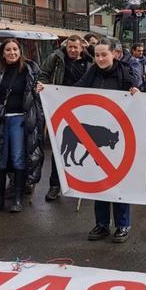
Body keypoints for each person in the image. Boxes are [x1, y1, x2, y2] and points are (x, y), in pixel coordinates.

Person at [76, 39, 139, 242]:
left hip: (119, 137)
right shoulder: (91, 73)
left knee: (119, 181)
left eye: (104, 54)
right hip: (96, 137)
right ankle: (102, 224)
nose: (101, 59)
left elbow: (136, 91)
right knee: (99, 180)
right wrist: (48, 91)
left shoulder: (126, 72)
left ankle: (122, 225)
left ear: (115, 54)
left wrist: (136, 93)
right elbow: (73, 93)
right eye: (97, 55)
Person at [0, 39, 44, 213]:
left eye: (15, 49)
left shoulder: (29, 70)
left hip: (20, 120)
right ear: (2, 53)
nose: (12, 52)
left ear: (20, 51)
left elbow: (38, 92)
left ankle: (18, 199)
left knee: (17, 158)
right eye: (8, 50)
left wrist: (40, 89)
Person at [38, 34, 90, 202]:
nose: (73, 50)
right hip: (60, 109)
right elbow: (43, 73)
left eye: (76, 47)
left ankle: (81, 184)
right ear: (66, 47)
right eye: (70, 47)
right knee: (58, 147)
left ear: (82, 47)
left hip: (82, 110)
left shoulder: (90, 62)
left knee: (83, 147)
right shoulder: (57, 58)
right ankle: (54, 185)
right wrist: (47, 89)